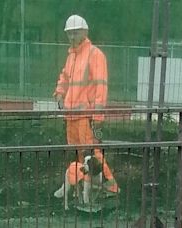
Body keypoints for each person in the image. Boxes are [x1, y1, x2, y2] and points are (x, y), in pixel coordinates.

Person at [53, 15, 119, 193]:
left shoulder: (94, 55)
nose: (71, 37)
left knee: (93, 153)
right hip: (72, 117)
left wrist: (98, 117)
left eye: (75, 33)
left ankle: (110, 186)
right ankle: (81, 188)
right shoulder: (72, 56)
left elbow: (100, 88)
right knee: (78, 155)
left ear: (84, 32)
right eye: (69, 34)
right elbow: (64, 77)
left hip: (87, 118)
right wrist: (59, 94)